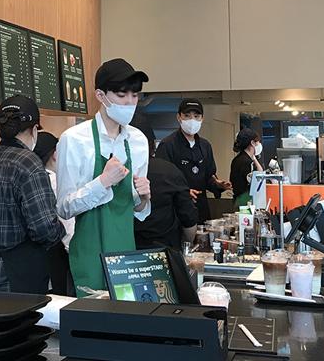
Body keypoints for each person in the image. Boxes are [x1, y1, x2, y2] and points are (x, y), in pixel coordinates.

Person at [56, 58, 152, 295]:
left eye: (135, 95)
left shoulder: (138, 141)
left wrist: (144, 198)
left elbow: (137, 210)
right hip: (89, 254)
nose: (130, 102)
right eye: (122, 95)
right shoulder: (74, 139)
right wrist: (103, 182)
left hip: (125, 255)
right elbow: (64, 207)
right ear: (100, 95)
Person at [0, 95, 65, 293]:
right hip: (16, 276)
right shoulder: (28, 162)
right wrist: (61, 229)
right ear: (34, 129)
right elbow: (44, 228)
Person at [156, 98, 231, 224]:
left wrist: (218, 184)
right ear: (179, 117)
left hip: (201, 208)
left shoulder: (205, 146)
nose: (192, 120)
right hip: (176, 211)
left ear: (202, 118)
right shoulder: (168, 145)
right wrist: (183, 192)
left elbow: (208, 177)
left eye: (196, 116)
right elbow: (162, 181)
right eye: (187, 116)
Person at [131, 110, 198, 250]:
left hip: (122, 255)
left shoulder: (112, 174)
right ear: (152, 144)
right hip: (164, 252)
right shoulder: (169, 172)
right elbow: (188, 220)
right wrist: (186, 247)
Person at [35, 130, 76, 295]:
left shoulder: (36, 179)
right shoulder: (55, 182)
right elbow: (68, 228)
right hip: (58, 258)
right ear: (55, 154)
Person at [229, 128, 264, 209]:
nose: (259, 144)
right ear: (252, 142)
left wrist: (254, 157)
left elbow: (260, 172)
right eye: (257, 141)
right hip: (244, 201)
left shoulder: (238, 159)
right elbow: (258, 178)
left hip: (239, 200)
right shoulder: (246, 162)